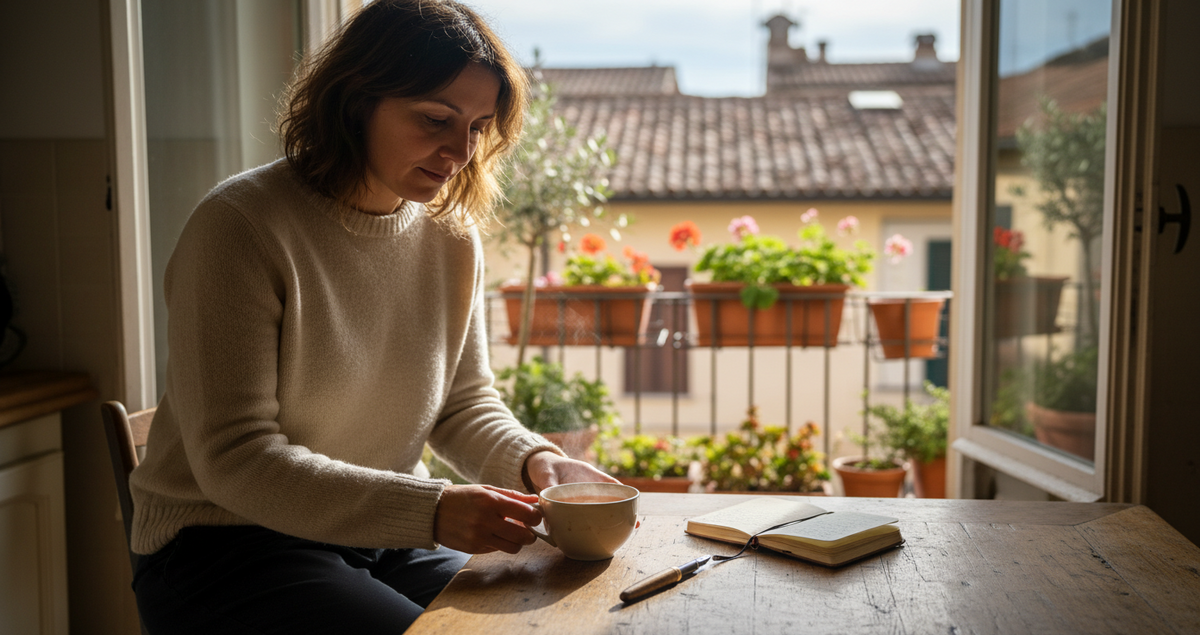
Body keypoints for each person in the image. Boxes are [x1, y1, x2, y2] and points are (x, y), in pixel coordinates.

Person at [128, 1, 616, 632]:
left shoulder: (450, 234)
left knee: (539, 619)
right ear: (355, 101)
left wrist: (534, 462)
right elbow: (237, 460)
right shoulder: (240, 227)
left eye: (476, 127)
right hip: (225, 547)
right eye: (435, 119)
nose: (460, 151)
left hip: (379, 538)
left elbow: (462, 405)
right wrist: (433, 508)